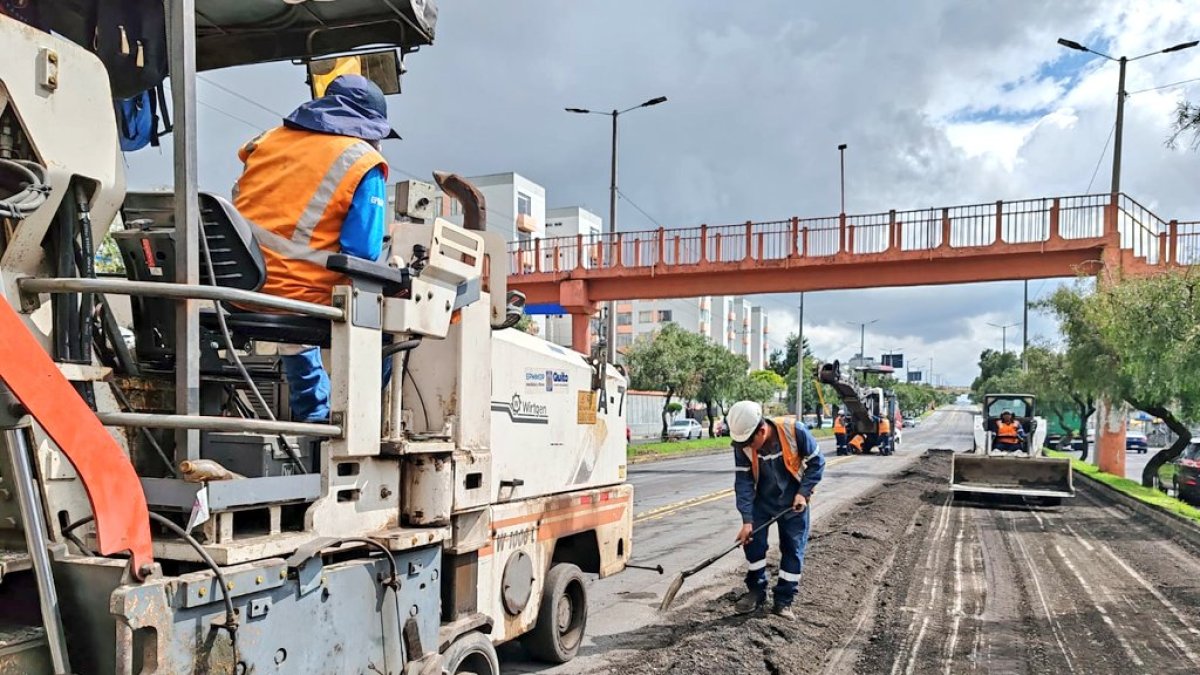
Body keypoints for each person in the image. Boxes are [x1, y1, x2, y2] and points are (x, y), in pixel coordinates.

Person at [233, 75, 398, 422]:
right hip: (301, 296)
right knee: (391, 328)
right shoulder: (362, 161)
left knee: (300, 304)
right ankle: (358, 420)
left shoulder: (267, 141)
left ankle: (314, 411)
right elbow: (362, 253)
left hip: (240, 285)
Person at [728, 400, 826, 618]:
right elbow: (743, 482)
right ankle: (756, 591)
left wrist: (803, 492)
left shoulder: (794, 431)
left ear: (762, 431)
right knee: (753, 544)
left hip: (793, 501)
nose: (746, 447)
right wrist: (747, 520)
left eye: (749, 442)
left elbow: (817, 463)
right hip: (761, 500)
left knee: (792, 548)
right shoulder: (743, 444)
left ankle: (784, 600)